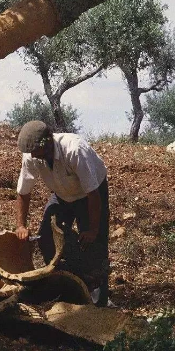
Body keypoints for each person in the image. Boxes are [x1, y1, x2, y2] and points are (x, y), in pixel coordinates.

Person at [14, 120, 110, 307]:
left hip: (89, 194)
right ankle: (67, 283)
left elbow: (93, 195)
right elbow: (23, 192)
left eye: (36, 151)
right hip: (61, 194)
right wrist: (20, 225)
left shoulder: (74, 149)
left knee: (93, 244)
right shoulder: (32, 155)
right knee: (46, 237)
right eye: (30, 152)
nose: (32, 156)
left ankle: (99, 302)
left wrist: (92, 230)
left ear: (48, 141)